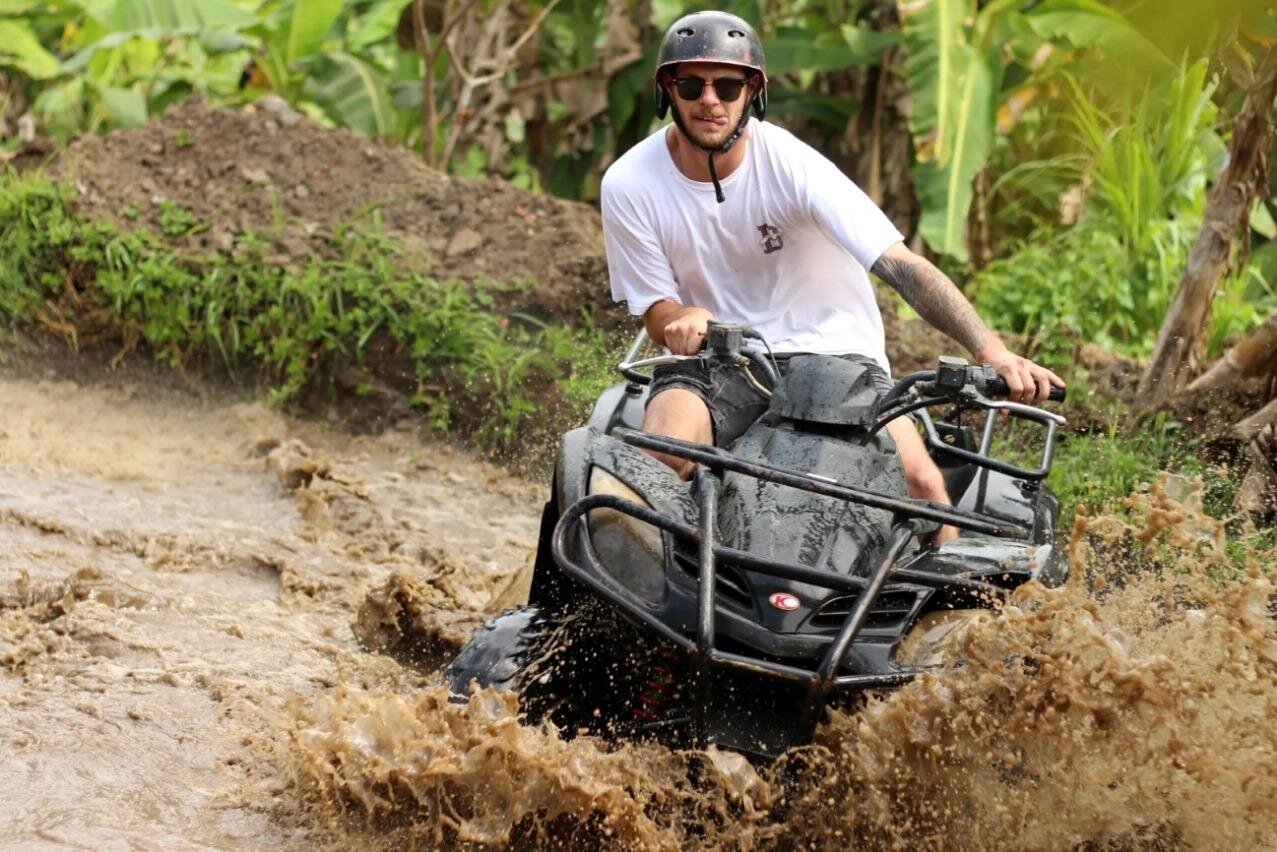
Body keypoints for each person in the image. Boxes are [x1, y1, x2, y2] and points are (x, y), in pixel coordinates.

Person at [599, 10, 1063, 543]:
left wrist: (993, 352)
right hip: (718, 357)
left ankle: (952, 599)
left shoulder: (794, 165)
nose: (710, 101)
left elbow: (901, 266)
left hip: (834, 352)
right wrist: (684, 317)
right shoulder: (628, 183)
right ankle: (639, 582)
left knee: (922, 486)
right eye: (691, 85)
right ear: (667, 90)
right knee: (659, 455)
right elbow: (656, 309)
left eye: (727, 86)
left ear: (753, 92)